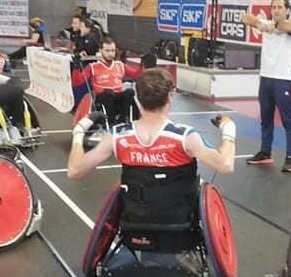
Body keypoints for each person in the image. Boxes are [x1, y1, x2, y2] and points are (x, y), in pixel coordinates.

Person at [67, 69, 236, 190]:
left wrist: (79, 132)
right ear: (169, 98)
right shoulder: (186, 137)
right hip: (180, 225)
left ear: (138, 100)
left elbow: (74, 171)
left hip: (135, 226)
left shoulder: (116, 136)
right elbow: (225, 165)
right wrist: (229, 129)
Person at [241, 0, 291, 173]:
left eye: (280, 7)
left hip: (283, 80)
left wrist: (273, 26)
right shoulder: (265, 23)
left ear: (287, 10)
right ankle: (265, 152)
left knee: (288, 121)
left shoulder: (290, 26)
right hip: (265, 78)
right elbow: (245, 18)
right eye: (273, 7)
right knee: (266, 119)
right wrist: (260, 23)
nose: (276, 10)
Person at [81, 37, 137, 125]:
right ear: (101, 50)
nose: (110, 54)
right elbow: (78, 81)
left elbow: (136, 74)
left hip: (118, 96)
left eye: (112, 51)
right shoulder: (92, 66)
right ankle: (112, 122)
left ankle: (122, 121)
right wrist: (77, 68)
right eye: (107, 51)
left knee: (130, 92)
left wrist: (145, 65)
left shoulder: (120, 65)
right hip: (102, 97)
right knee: (109, 93)